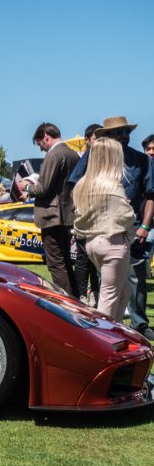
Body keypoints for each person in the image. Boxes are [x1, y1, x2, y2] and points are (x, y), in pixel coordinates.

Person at [67, 116, 154, 337]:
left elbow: (150, 194)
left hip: (117, 234)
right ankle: (101, 340)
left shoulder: (141, 160)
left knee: (125, 289)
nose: (123, 136)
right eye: (118, 132)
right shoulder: (95, 159)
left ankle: (126, 330)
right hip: (115, 236)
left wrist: (144, 225)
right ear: (108, 137)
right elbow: (74, 185)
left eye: (126, 131)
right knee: (110, 292)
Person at [72, 138, 133, 321]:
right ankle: (104, 341)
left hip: (92, 242)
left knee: (123, 293)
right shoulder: (113, 187)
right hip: (112, 243)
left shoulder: (82, 185)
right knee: (109, 296)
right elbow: (127, 217)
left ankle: (116, 330)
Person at [18, 123, 78, 295]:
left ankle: (67, 302)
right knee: (65, 261)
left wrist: (27, 187)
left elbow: (43, 189)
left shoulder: (54, 155)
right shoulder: (73, 154)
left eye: (40, 144)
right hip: (67, 214)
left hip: (52, 216)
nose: (41, 149)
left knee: (56, 264)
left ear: (46, 137)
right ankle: (75, 298)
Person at [72, 124, 103, 306]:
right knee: (84, 258)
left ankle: (95, 294)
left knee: (95, 259)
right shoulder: (85, 159)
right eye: (96, 137)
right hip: (86, 216)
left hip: (99, 217)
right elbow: (74, 186)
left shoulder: (100, 158)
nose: (100, 141)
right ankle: (82, 295)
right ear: (88, 139)